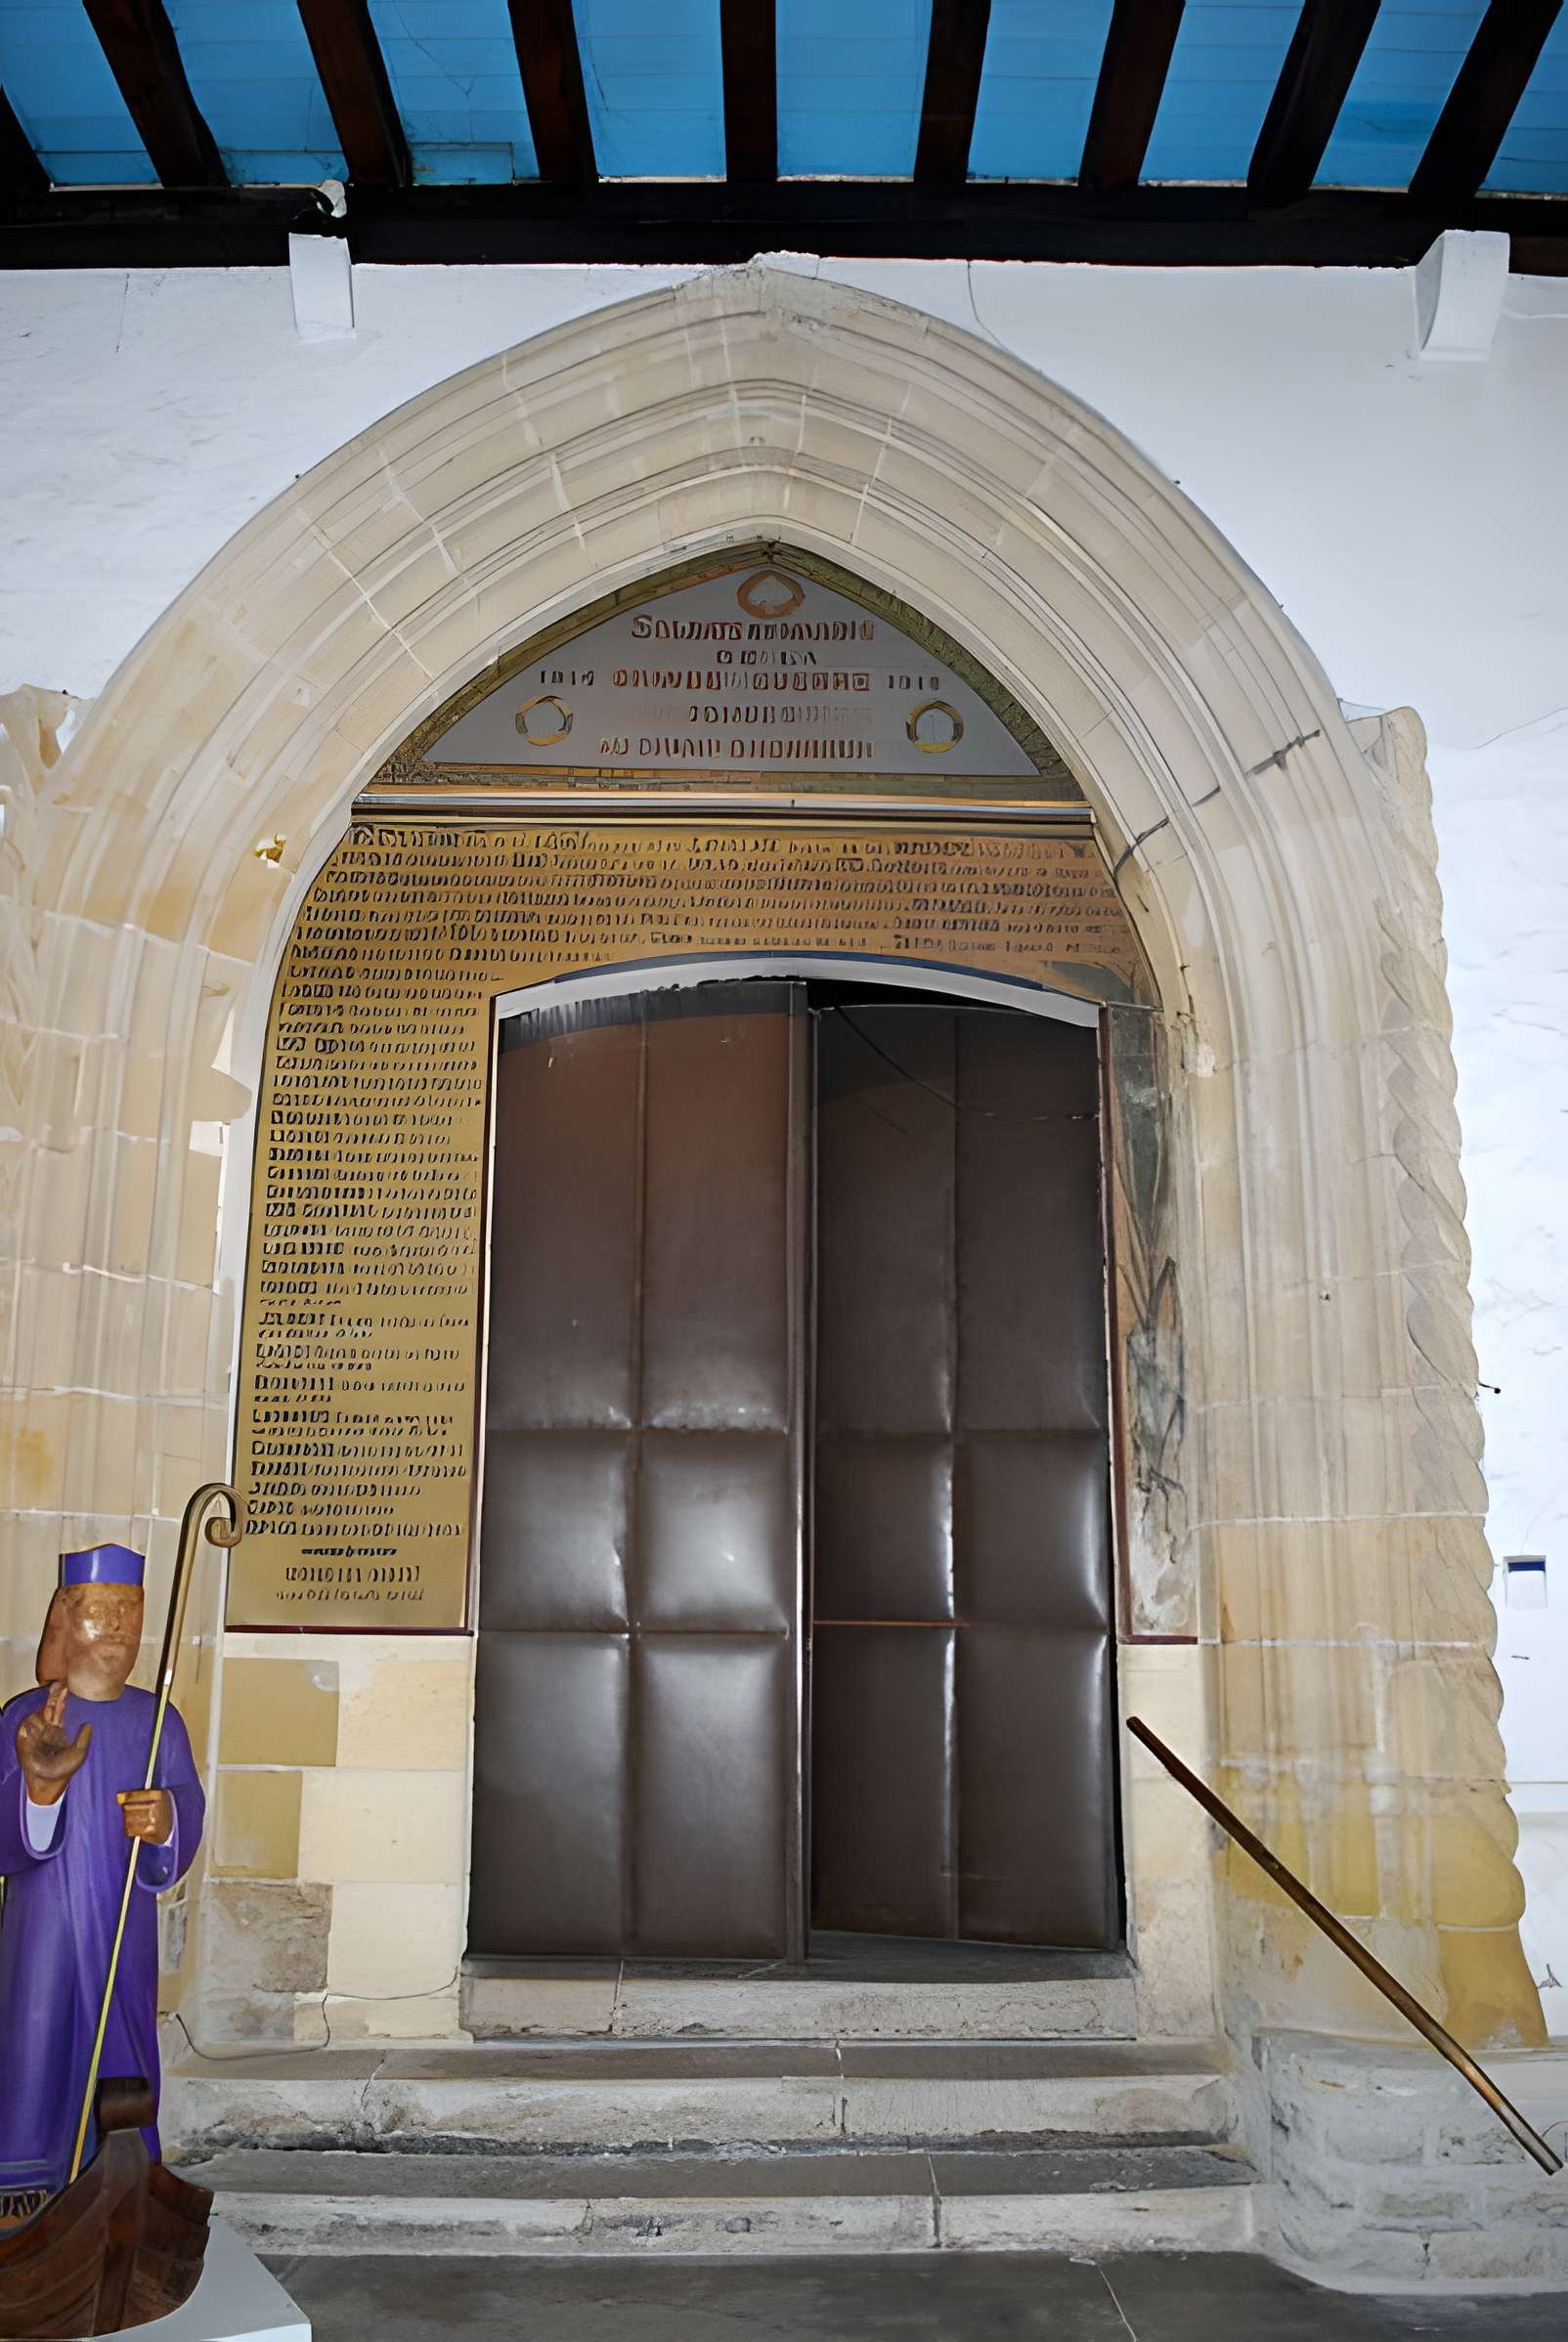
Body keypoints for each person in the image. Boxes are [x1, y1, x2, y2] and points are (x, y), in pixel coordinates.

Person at [0, 1543, 203, 2223]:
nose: (117, 1626)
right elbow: (6, 1840)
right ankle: (25, 2200)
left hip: (124, 1931)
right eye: (98, 1612)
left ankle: (126, 2195)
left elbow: (187, 1809)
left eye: (130, 1610)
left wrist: (166, 1818)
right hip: (44, 1932)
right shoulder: (27, 1717)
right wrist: (39, 1788)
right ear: (65, 1619)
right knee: (35, 2046)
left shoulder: (158, 1720)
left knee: (124, 2054)